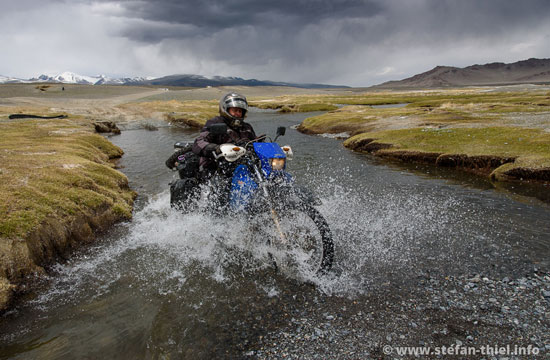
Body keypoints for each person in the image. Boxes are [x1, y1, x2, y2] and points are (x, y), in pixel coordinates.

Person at [192, 92, 257, 180]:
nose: (237, 113)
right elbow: (199, 142)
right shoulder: (215, 123)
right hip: (216, 164)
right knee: (218, 182)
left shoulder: (247, 127)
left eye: (240, 111)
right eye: (234, 110)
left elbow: (255, 143)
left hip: (241, 163)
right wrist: (216, 148)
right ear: (226, 109)